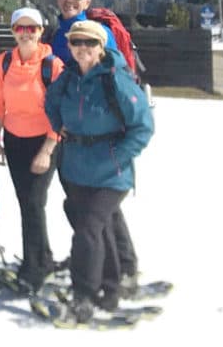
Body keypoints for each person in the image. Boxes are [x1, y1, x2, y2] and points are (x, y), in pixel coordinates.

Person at [44, 21, 152, 323]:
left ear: (100, 47)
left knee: (88, 230)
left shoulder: (115, 80)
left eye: (89, 43)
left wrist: (117, 156)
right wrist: (58, 126)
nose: (82, 49)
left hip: (111, 174)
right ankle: (111, 287)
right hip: (77, 168)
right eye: (76, 43)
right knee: (97, 227)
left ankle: (84, 294)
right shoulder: (68, 78)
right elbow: (50, 103)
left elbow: (143, 126)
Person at [46, 0, 140, 293]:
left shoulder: (99, 34)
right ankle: (92, 257)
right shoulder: (58, 34)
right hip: (70, 137)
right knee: (80, 203)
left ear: (87, 2)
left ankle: (122, 266)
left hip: (98, 138)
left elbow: (114, 77)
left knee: (103, 205)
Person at [0, 7, 64, 292]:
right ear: (12, 31)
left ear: (41, 31)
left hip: (44, 142)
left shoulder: (52, 65)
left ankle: (34, 269)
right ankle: (40, 257)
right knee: (27, 203)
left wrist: (47, 149)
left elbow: (60, 112)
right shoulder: (5, 62)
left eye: (31, 28)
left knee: (33, 202)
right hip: (15, 140)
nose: (25, 33)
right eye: (19, 28)